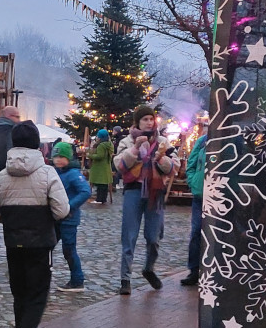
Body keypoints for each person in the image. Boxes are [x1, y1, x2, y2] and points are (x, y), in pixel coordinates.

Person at [0, 121, 70, 328]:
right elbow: (62, 210)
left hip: (14, 242)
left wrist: (15, 220)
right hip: (40, 243)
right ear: (38, 144)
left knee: (20, 295)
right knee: (37, 297)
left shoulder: (3, 175)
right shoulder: (47, 174)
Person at [113, 106, 180, 295]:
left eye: (151, 119)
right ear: (137, 122)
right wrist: (135, 148)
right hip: (133, 192)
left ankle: (148, 268)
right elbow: (119, 165)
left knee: (154, 237)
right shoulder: (127, 141)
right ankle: (125, 279)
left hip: (155, 193)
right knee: (129, 236)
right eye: (145, 119)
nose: (149, 122)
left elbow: (174, 167)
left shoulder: (163, 141)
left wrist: (161, 159)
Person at [51, 142, 91, 292]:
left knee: (69, 249)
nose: (59, 160)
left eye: (62, 156)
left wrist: (70, 206)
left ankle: (77, 279)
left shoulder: (73, 174)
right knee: (48, 245)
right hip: (55, 218)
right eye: (56, 156)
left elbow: (85, 191)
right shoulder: (54, 172)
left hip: (69, 218)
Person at [181, 124, 207, 286]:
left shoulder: (234, 140)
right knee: (197, 231)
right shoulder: (203, 141)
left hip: (223, 193)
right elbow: (191, 163)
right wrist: (193, 180)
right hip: (200, 193)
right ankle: (194, 269)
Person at [0, 106, 21, 174]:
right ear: (9, 116)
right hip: (4, 169)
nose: (19, 120)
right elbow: (11, 151)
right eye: (17, 117)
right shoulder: (12, 130)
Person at [87, 129, 114, 204]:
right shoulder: (109, 144)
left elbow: (99, 156)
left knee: (100, 185)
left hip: (99, 168)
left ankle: (99, 199)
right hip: (105, 167)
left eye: (98, 136)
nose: (97, 138)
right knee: (103, 185)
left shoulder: (102, 145)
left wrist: (89, 155)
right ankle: (102, 199)